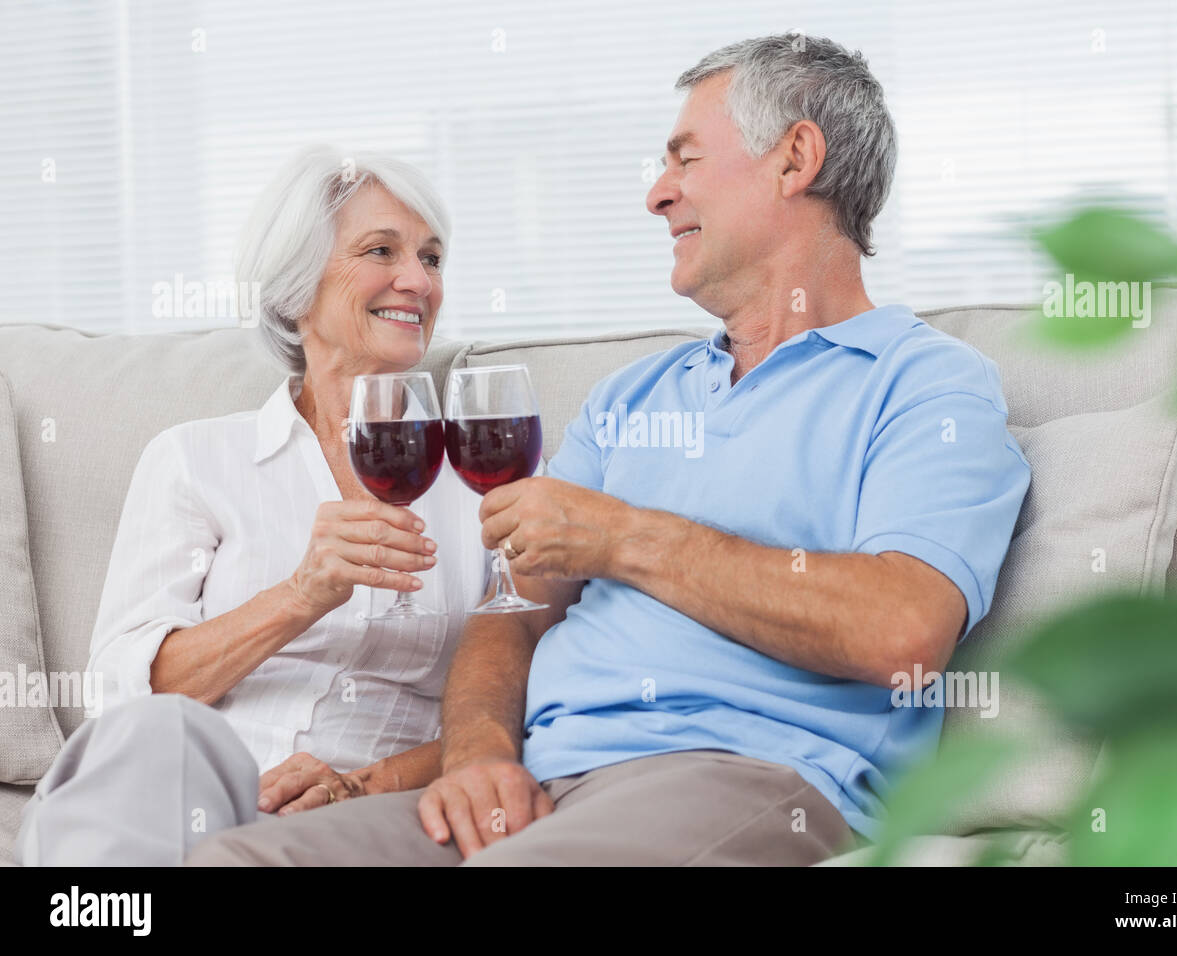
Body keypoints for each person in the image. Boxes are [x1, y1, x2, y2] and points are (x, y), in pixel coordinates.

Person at [189, 33, 1032, 867]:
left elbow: (902, 631)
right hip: (540, 780)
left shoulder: (926, 386)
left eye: (685, 160)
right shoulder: (631, 397)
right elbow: (510, 608)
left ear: (795, 158)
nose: (657, 196)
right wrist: (478, 753)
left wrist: (625, 537)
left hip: (736, 775)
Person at [17, 145, 489, 865]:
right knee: (158, 749)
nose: (418, 280)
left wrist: (360, 787)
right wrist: (303, 594)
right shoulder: (196, 459)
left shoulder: (481, 476)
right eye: (381, 250)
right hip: (177, 798)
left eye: (432, 257)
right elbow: (126, 705)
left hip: (357, 815)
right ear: (297, 289)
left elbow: (515, 705)